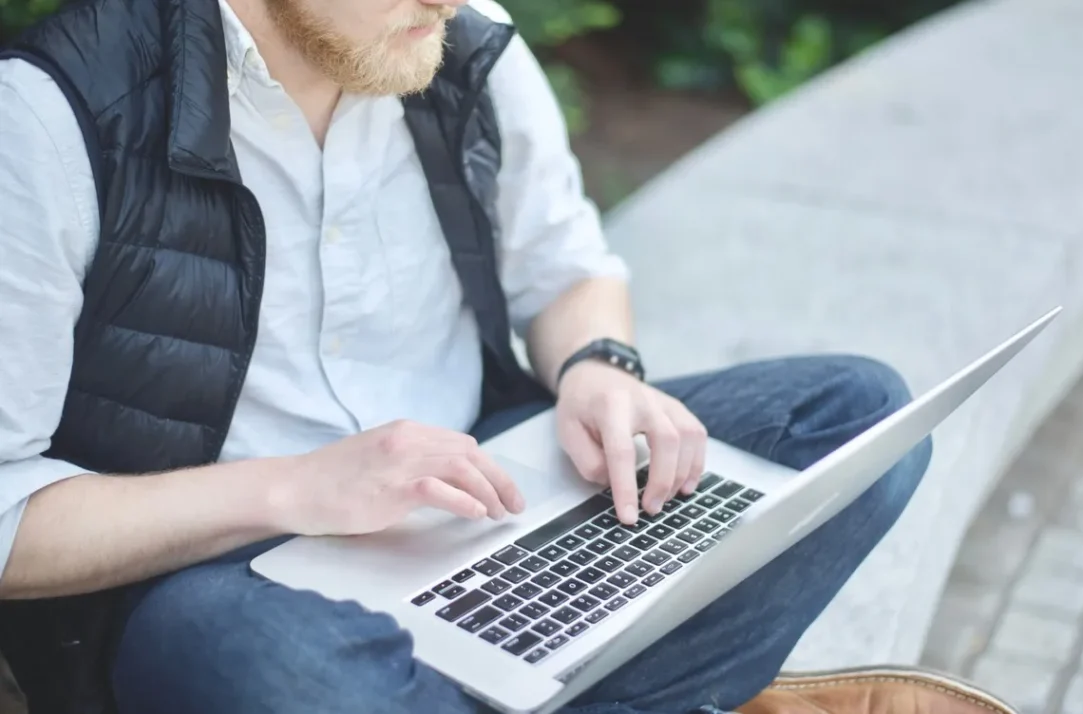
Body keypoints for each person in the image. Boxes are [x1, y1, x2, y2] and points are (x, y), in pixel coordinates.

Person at [0, 0, 934, 712]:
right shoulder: (48, 117)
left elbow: (568, 271)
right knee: (281, 671)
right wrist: (293, 489)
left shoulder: (458, 37)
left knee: (861, 420)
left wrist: (600, 367)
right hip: (223, 568)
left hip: (487, 488)